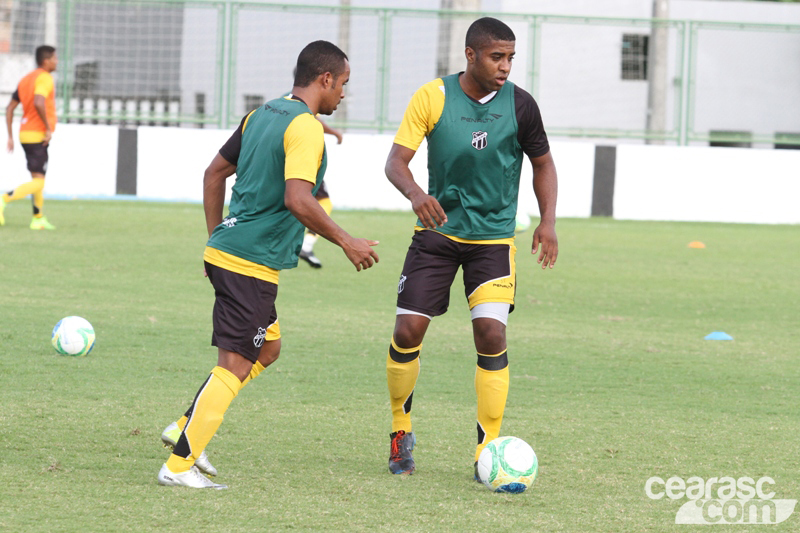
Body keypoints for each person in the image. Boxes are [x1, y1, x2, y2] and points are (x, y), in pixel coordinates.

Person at [157, 40, 379, 489]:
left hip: (231, 251)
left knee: (267, 349)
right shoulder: (305, 128)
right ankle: (178, 466)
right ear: (325, 79)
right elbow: (298, 198)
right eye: (344, 86)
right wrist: (345, 241)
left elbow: (213, 173)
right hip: (249, 261)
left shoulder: (261, 114)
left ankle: (185, 427)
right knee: (235, 364)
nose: (343, 96)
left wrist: (215, 236)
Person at [383, 17, 558, 477]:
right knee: (407, 332)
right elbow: (396, 162)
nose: (505, 66)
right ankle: (401, 430)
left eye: (511, 58)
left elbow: (543, 165)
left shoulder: (521, 105)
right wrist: (417, 195)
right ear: (471, 55)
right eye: (497, 57)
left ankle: (490, 448)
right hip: (437, 235)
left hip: (493, 241)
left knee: (492, 335)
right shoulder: (433, 97)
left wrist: (548, 221)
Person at [2, 45, 58, 230]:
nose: (56, 62)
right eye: (54, 58)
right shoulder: (44, 78)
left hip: (24, 133)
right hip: (37, 134)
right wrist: (48, 128)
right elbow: (39, 101)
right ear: (46, 60)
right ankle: (4, 199)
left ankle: (38, 218)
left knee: (36, 178)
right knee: (39, 181)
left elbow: (9, 108)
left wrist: (10, 136)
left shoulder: (26, 79)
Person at [298, 118, 342, 268]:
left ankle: (304, 245)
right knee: (322, 202)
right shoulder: (304, 101)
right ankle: (306, 246)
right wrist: (334, 132)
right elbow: (312, 117)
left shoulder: (280, 104)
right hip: (302, 157)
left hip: (290, 154)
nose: (342, 94)